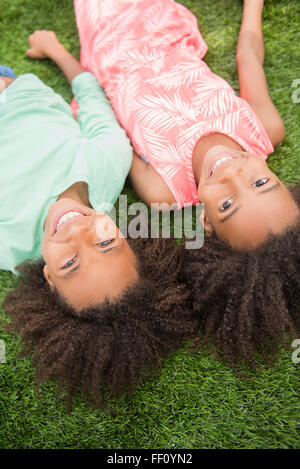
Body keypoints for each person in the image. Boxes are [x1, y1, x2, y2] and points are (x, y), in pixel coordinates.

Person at [1, 34, 196, 408]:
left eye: (71, 263)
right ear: (125, 234)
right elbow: (92, 100)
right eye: (106, 243)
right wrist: (57, 51)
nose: (77, 233)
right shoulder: (109, 160)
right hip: (14, 84)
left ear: (48, 278)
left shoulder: (8, 245)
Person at [71, 0, 299, 250]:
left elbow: (111, 134)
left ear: (206, 222)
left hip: (109, 48)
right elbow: (248, 57)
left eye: (226, 205)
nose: (232, 174)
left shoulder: (164, 192)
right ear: (277, 178)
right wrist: (254, 5)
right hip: (161, 26)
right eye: (260, 183)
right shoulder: (264, 129)